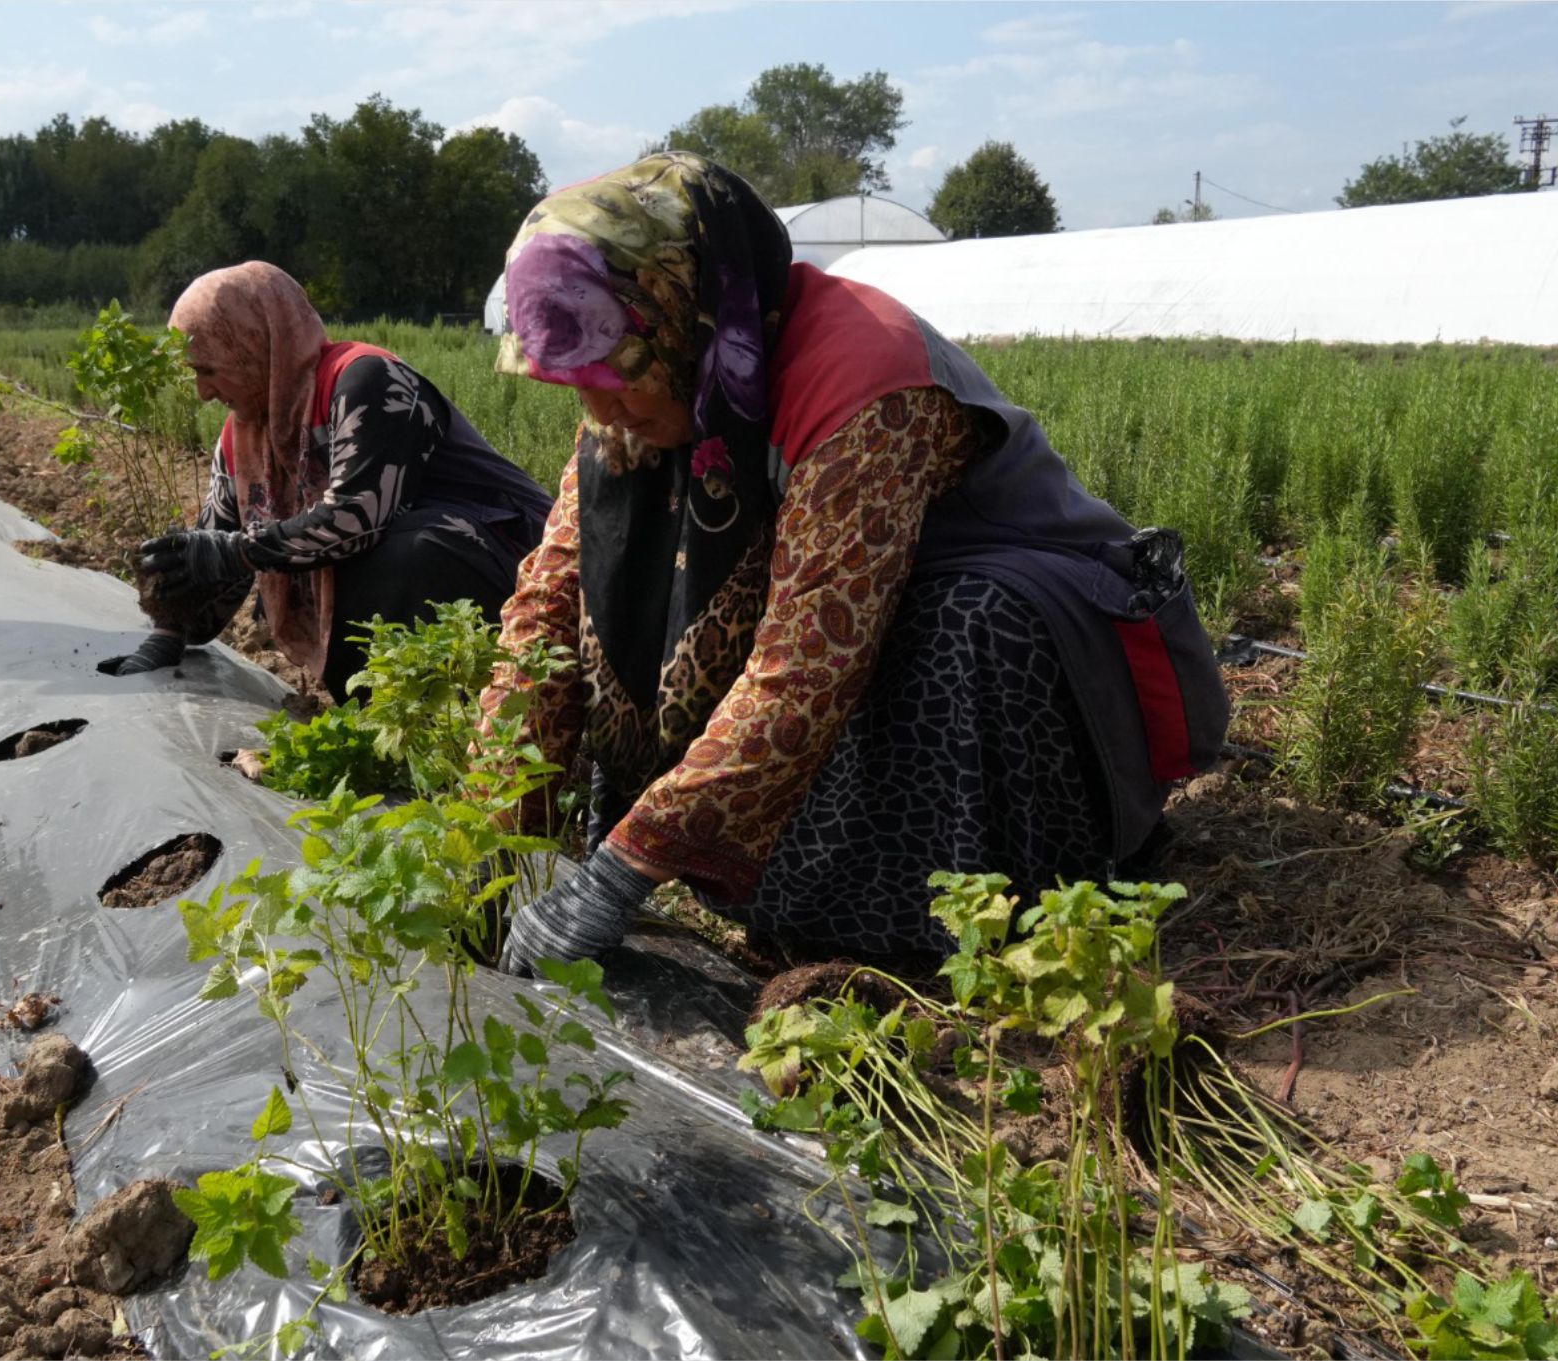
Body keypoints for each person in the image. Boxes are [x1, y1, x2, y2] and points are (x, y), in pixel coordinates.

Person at [484, 153, 1229, 975]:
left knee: (970, 624)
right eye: (579, 385)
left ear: (681, 311)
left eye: (616, 377)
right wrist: (494, 833)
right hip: (858, 632)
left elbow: (807, 665)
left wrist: (624, 868)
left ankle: (982, 923)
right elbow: (547, 607)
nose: (600, 410)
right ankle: (803, 898)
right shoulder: (658, 381)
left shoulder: (860, 376)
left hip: (1050, 655)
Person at [100, 262, 555, 696]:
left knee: (403, 551)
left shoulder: (367, 381)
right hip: (431, 583)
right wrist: (170, 624)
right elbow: (215, 561)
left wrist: (238, 551)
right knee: (297, 559)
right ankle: (384, 713)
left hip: (526, 573)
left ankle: (481, 700)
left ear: (254, 344)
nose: (203, 392)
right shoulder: (242, 437)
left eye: (209, 370)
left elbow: (357, 520)